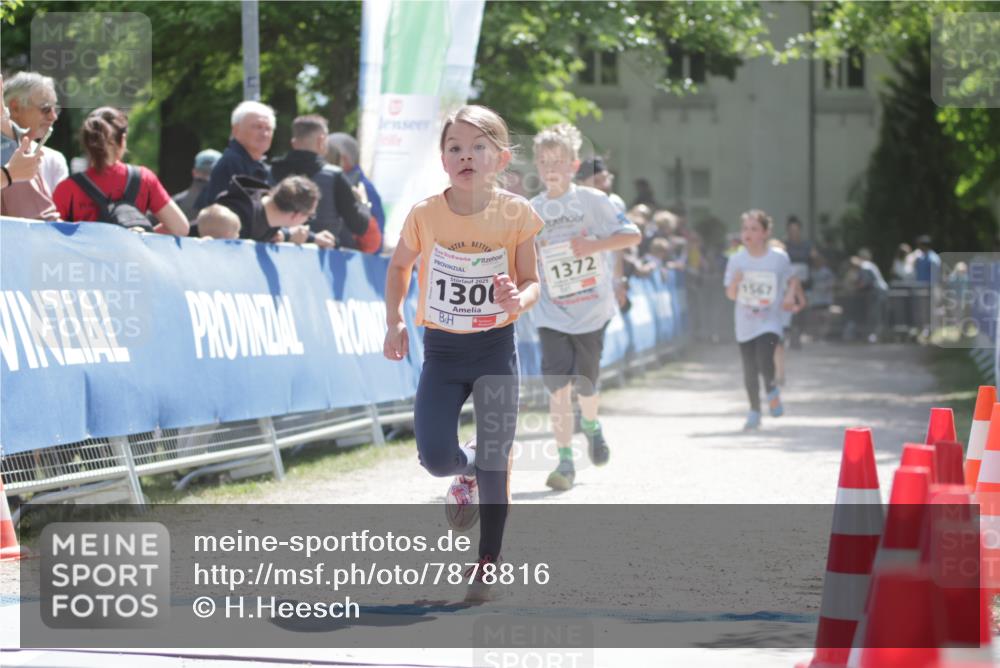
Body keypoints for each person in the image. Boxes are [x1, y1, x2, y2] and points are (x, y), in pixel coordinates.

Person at [382, 105, 542, 602]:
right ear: (443, 157)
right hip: (444, 353)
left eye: (478, 148)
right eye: (455, 147)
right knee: (434, 459)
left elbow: (532, 280)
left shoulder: (516, 213)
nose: (465, 156)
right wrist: (394, 320)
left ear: (501, 158)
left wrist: (519, 298)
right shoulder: (425, 214)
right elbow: (399, 268)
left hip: (495, 349)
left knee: (497, 462)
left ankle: (487, 562)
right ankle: (463, 469)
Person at [529, 124, 641, 490]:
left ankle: (591, 426)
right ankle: (565, 463)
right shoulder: (531, 211)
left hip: (591, 311)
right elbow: (520, 258)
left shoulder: (593, 202)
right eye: (544, 161)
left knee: (587, 386)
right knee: (559, 389)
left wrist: (593, 247)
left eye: (558, 161)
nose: (551, 168)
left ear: (574, 164)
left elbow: (632, 236)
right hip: (551, 313)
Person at [52, 107, 189, 236]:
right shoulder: (144, 178)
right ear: (122, 139)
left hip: (84, 261)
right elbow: (180, 228)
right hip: (132, 260)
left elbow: (51, 235)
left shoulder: (67, 188)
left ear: (86, 144)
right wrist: (142, 236)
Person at [724, 210, 801, 431]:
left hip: (770, 321)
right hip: (744, 322)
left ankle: (770, 388)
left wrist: (789, 294)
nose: (748, 233)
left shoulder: (778, 258)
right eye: (745, 229)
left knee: (764, 358)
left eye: (754, 229)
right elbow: (730, 295)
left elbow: (792, 279)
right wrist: (736, 283)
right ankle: (754, 411)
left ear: (765, 233)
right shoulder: (736, 259)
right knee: (749, 369)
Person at [271, 115, 373, 250]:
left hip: (276, 255)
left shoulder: (271, 170)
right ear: (321, 140)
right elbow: (359, 226)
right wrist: (363, 203)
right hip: (322, 260)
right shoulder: (334, 176)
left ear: (294, 143)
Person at [213, 174, 334, 247]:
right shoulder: (237, 219)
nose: (308, 221)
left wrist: (313, 238)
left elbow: (281, 232)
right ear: (296, 216)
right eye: (310, 216)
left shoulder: (265, 210)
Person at [195, 101, 275, 210]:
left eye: (268, 128)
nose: (264, 134)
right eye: (257, 127)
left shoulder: (261, 167)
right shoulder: (232, 164)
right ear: (235, 130)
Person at [3, 72, 69, 193]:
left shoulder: (54, 160)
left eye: (56, 109)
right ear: (15, 108)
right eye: (46, 109)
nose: (54, 117)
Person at [326, 132, 385, 248]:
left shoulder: (363, 187)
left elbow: (375, 242)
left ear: (343, 158)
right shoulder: (346, 182)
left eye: (326, 153)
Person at [783, 216, 813, 349]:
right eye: (791, 230)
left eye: (796, 230)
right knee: (789, 310)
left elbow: (816, 260)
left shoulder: (807, 245)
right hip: (788, 285)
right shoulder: (784, 246)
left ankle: (798, 335)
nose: (793, 233)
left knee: (802, 310)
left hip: (804, 283)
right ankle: (789, 335)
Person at [852, 248, 889, 343]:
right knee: (878, 314)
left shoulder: (865, 266)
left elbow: (865, 283)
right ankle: (877, 335)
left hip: (877, 293)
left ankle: (876, 335)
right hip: (880, 291)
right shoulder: (871, 265)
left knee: (875, 314)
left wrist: (855, 288)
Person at [172, 149, 221, 220]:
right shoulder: (177, 202)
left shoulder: (176, 202)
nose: (208, 178)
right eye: (204, 172)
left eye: (211, 173)